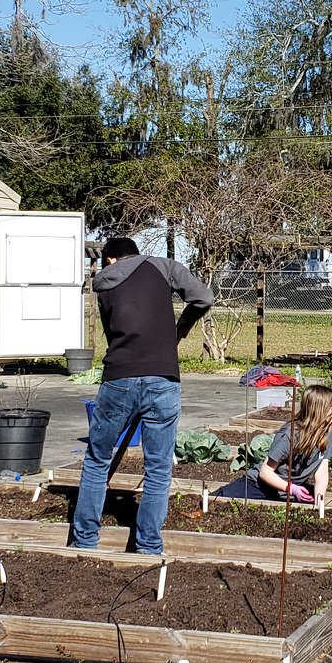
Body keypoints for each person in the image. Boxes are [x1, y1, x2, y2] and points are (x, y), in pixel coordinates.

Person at [69, 236, 214, 555]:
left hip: (119, 378)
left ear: (109, 260)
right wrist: (181, 329)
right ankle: (148, 546)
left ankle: (84, 541)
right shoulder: (163, 267)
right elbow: (204, 297)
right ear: (134, 254)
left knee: (96, 460)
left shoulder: (103, 283)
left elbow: (111, 336)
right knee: (158, 467)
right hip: (163, 378)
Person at [213, 384, 332, 502]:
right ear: (319, 409)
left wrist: (319, 505)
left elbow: (322, 474)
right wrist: (291, 488)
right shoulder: (290, 434)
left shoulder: (326, 434)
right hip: (259, 485)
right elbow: (265, 472)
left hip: (287, 491)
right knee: (214, 501)